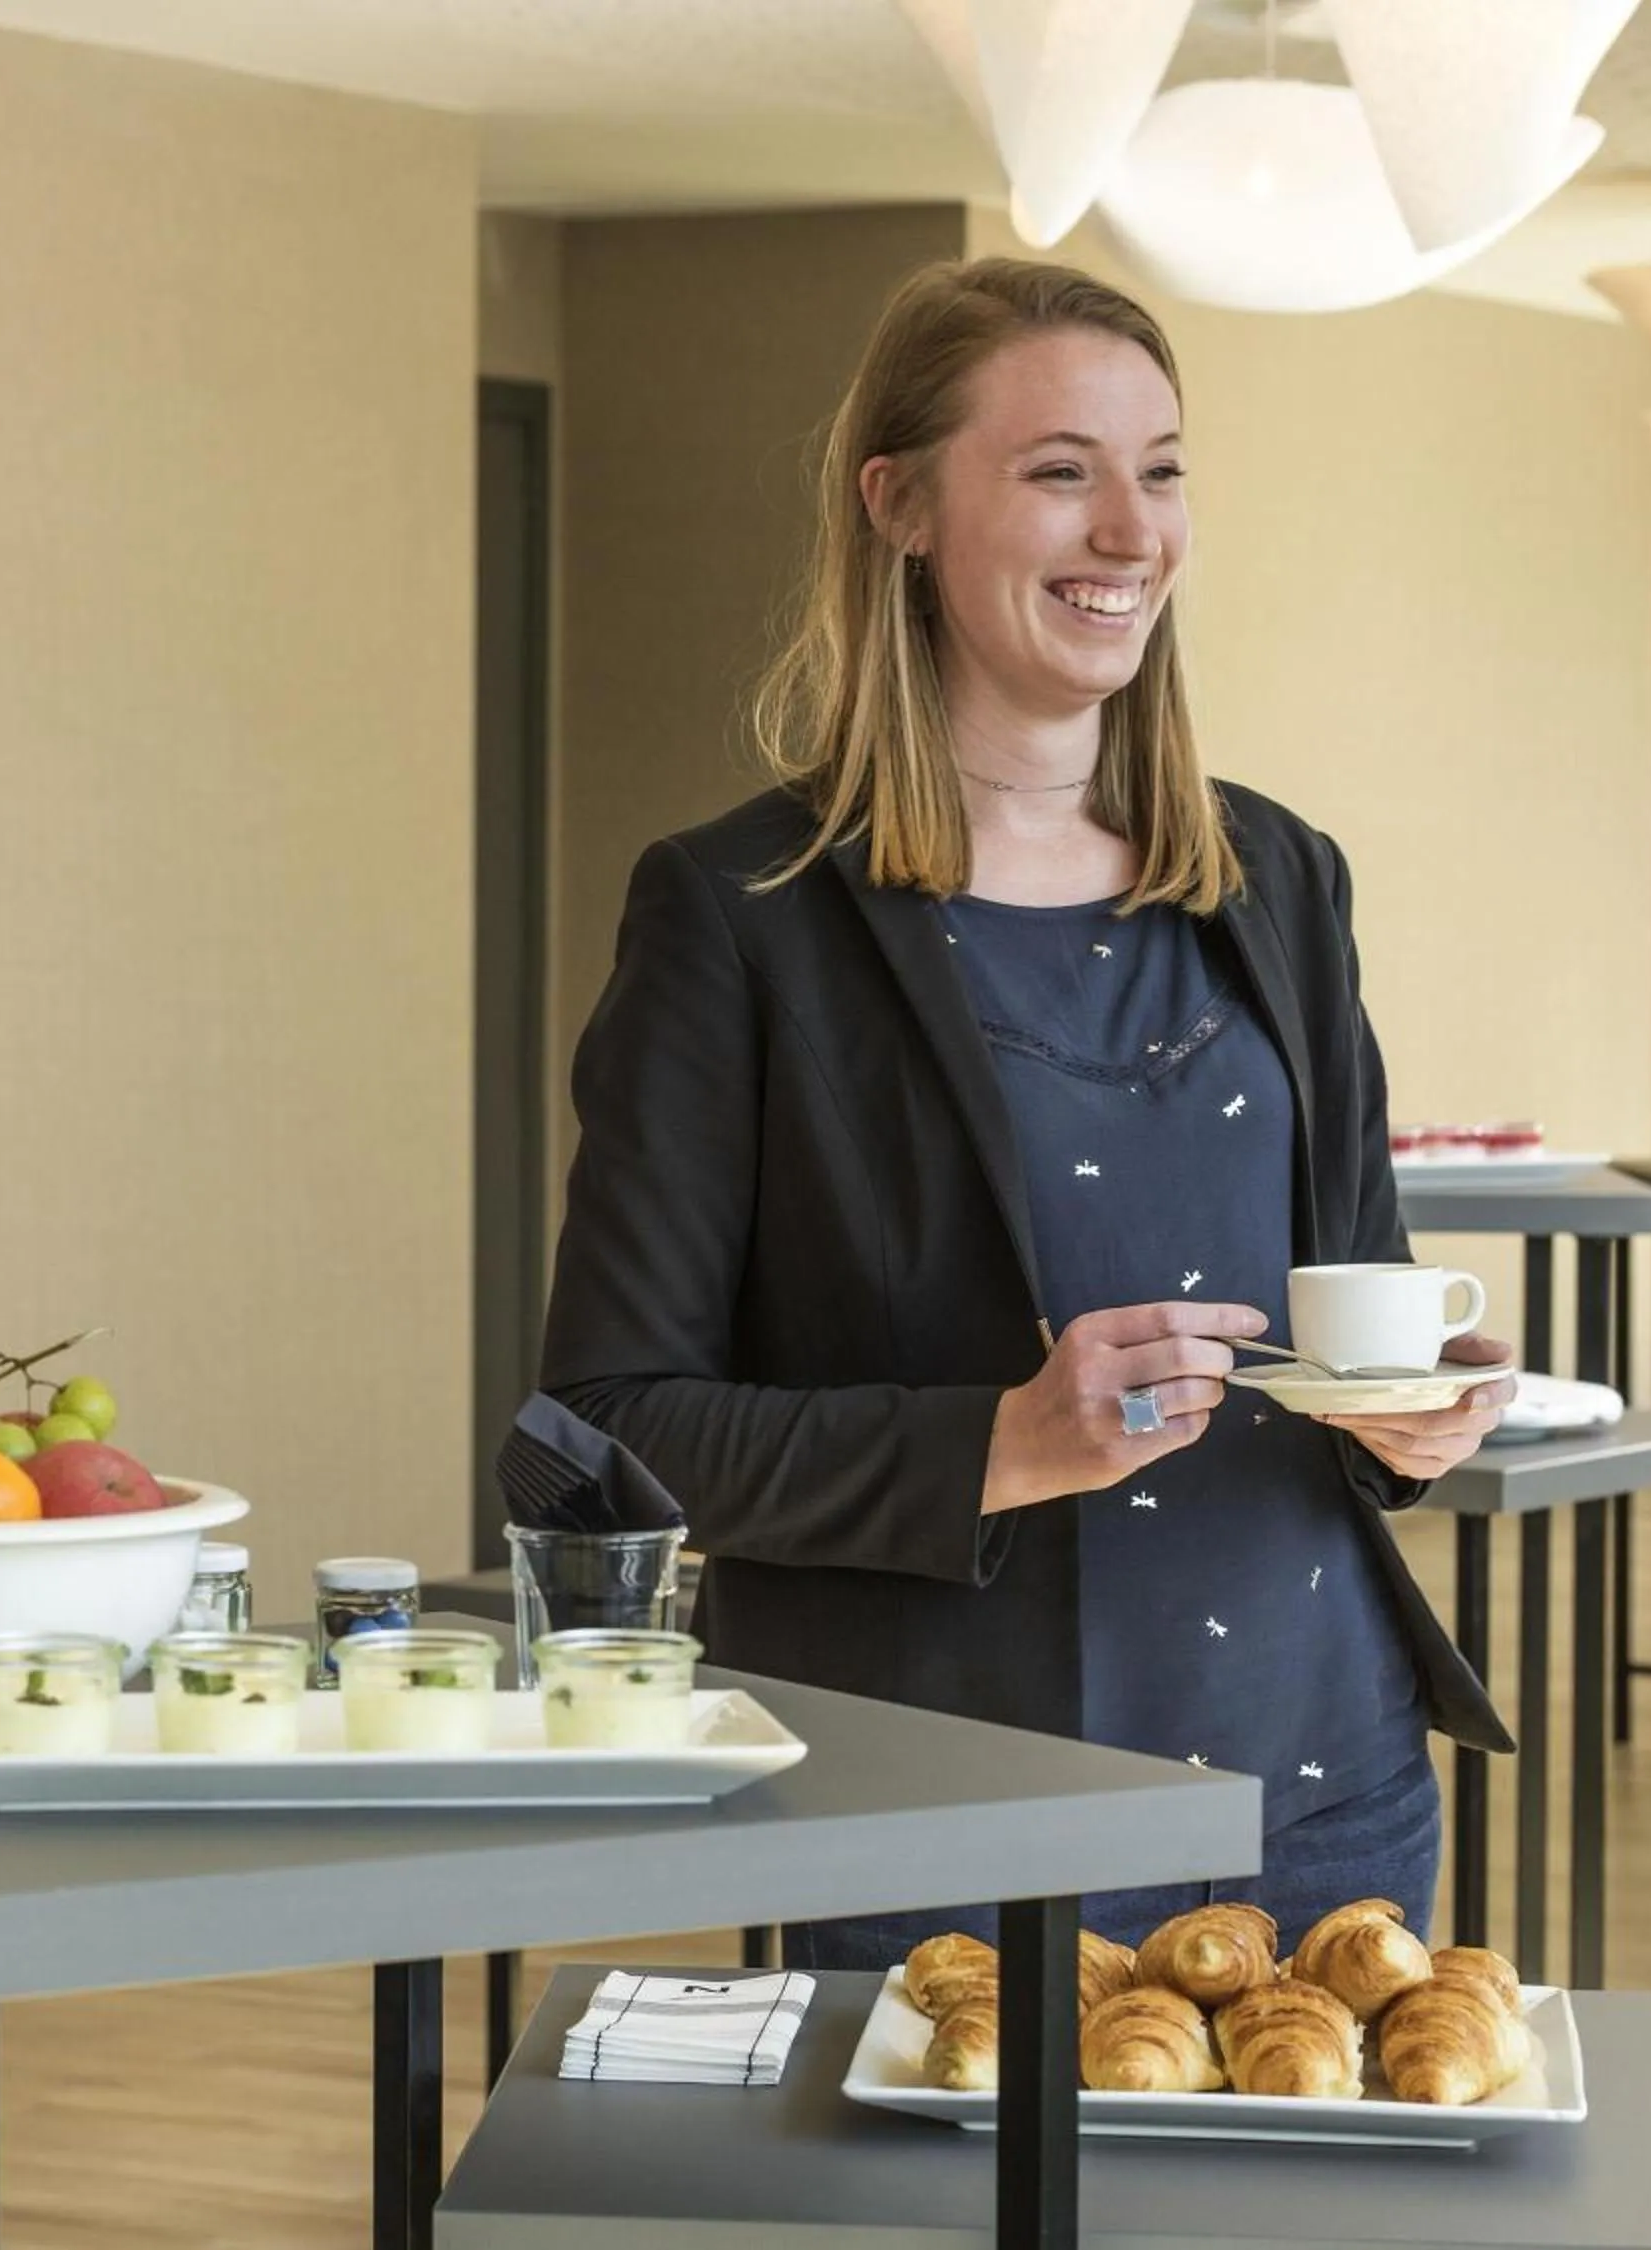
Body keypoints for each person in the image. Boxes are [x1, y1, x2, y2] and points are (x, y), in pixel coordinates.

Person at [537, 258, 1517, 1968]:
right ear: (900, 504)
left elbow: (1360, 1292)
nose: (1130, 531)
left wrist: (1414, 1418)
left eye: (1163, 468)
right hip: (946, 1813)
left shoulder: (1282, 876)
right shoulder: (740, 913)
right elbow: (610, 1432)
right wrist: (1001, 1444)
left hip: (1328, 1788)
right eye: (1062, 470)